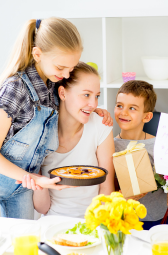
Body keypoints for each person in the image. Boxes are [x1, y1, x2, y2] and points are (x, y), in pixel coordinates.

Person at [0, 18, 111, 219]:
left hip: (23, 191)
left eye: (71, 68)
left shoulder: (52, 86)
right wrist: (32, 178)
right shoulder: (15, 89)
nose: (66, 74)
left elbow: (75, 100)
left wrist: (94, 109)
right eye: (61, 67)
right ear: (37, 54)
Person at [29, 62, 114, 218]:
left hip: (94, 220)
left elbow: (106, 189)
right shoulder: (42, 132)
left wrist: (96, 226)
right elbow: (42, 207)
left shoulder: (100, 126)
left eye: (96, 96)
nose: (93, 104)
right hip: (54, 221)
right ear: (62, 93)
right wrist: (38, 181)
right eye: (86, 95)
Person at [114, 80, 168, 230]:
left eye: (132, 108)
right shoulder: (109, 147)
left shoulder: (161, 145)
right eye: (119, 105)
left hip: (166, 217)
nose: (123, 112)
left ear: (147, 117)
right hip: (129, 220)